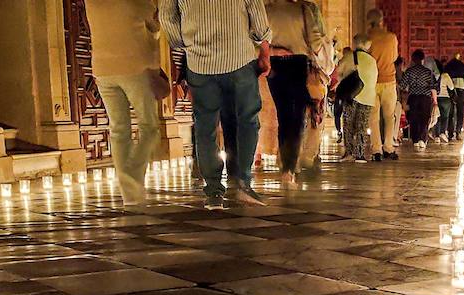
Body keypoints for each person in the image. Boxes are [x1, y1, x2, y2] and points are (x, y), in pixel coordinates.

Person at [161, 0, 272, 206]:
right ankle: (242, 183)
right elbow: (256, 12)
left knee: (205, 125)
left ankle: (213, 190)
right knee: (246, 119)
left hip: (200, 63)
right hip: (239, 57)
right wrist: (264, 51)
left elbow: (167, 17)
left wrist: (187, 44)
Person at [85, 0, 164, 206]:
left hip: (102, 70)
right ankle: (132, 176)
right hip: (134, 66)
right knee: (150, 126)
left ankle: (130, 196)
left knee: (119, 130)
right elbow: (154, 24)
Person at [265, 0, 330, 187]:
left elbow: (255, 39)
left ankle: (285, 163)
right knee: (297, 116)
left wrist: (274, 49)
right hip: (298, 64)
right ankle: (289, 169)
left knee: (283, 116)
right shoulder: (302, 10)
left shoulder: (267, 11)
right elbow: (316, 42)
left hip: (274, 65)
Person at [365, 9, 400, 161]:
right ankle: (388, 146)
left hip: (372, 81)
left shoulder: (367, 38)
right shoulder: (391, 38)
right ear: (381, 20)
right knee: (389, 117)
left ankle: (376, 149)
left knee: (373, 118)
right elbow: (395, 57)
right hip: (389, 80)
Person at [336, 35, 376, 162]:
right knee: (362, 126)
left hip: (351, 95)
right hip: (368, 96)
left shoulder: (349, 56)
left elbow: (338, 72)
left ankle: (349, 152)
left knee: (348, 125)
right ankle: (360, 154)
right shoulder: (372, 60)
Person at [398, 50, 436, 149]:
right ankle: (422, 139)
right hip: (425, 98)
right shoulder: (428, 72)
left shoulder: (409, 71)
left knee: (413, 119)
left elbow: (402, 85)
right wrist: (435, 101)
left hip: (413, 97)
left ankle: (415, 139)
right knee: (424, 119)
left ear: (413, 60)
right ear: (423, 60)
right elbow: (433, 87)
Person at [444, 53, 464, 138]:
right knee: (460, 112)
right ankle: (458, 131)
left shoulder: (448, 66)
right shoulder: (463, 67)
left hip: (451, 90)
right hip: (461, 89)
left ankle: (450, 132)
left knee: (451, 112)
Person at [433, 59, 454, 142]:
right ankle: (442, 132)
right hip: (445, 99)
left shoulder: (433, 75)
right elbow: (451, 87)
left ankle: (437, 136)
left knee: (436, 117)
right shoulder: (445, 75)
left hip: (436, 98)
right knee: (445, 117)